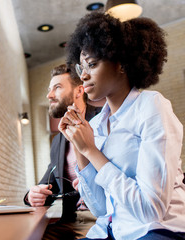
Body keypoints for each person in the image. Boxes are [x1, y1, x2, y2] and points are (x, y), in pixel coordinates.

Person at [60, 12, 185, 240]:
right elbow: (100, 209)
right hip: (111, 231)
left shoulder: (151, 106)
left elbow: (150, 210)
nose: (84, 75)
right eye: (80, 68)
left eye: (92, 64)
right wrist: (78, 145)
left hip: (157, 230)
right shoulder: (96, 124)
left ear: (122, 64)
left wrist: (91, 150)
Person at [24, 64, 102, 239]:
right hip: (72, 222)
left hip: (104, 220)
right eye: (49, 89)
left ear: (79, 91)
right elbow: (47, 185)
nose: (49, 95)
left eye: (57, 87)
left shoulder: (104, 120)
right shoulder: (59, 140)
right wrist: (33, 195)